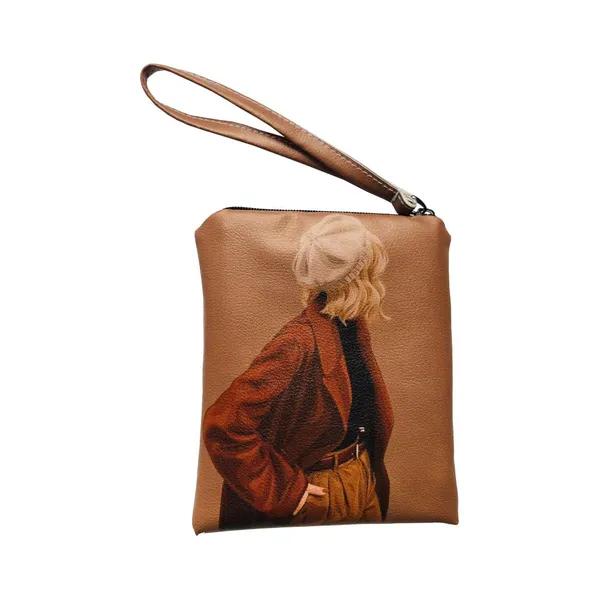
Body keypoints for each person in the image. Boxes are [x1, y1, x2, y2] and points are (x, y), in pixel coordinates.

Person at [203, 214, 394, 530]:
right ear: (355, 279)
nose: (378, 280)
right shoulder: (297, 340)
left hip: (361, 474)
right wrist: (287, 492)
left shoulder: (350, 325)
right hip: (323, 489)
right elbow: (224, 424)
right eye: (371, 270)